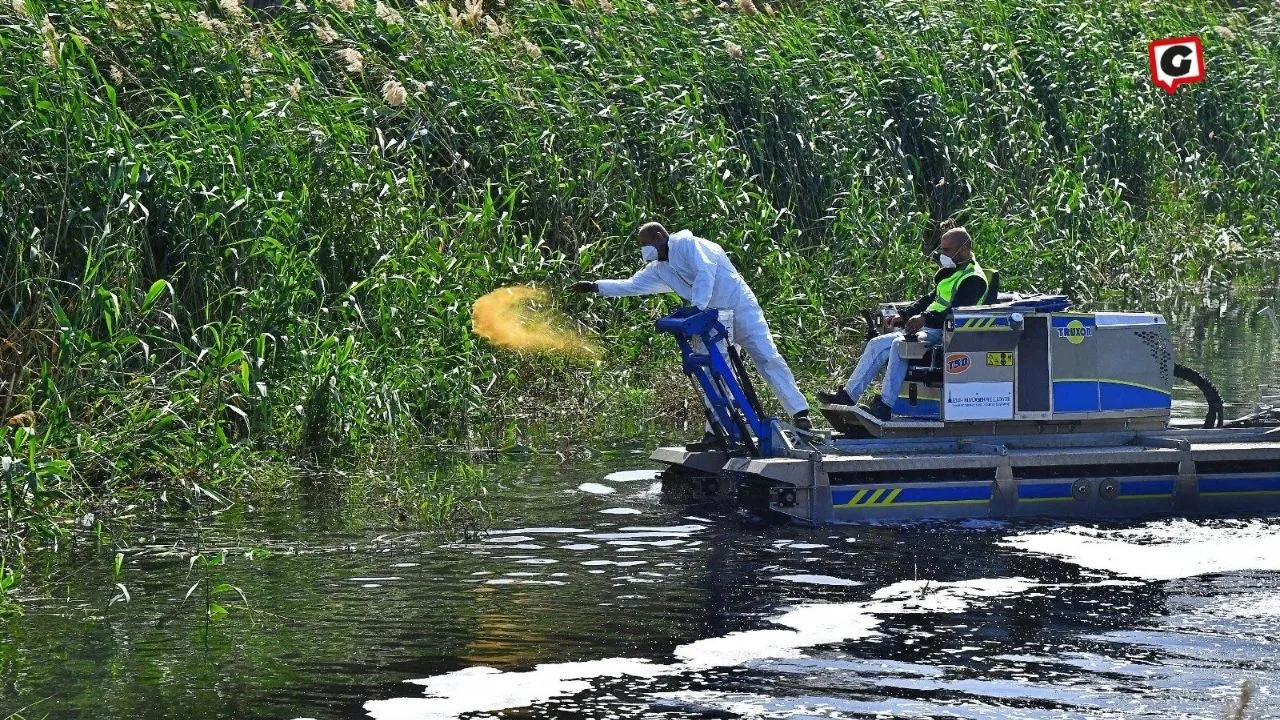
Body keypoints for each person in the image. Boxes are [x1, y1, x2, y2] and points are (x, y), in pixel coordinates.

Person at [570, 222, 813, 434]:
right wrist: (596, 287)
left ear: (659, 237)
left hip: (739, 308)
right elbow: (633, 285)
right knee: (714, 372)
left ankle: (799, 413)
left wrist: (697, 307)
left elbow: (705, 275)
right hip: (711, 318)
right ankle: (718, 429)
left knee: (767, 357)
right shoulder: (661, 268)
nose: (643, 249)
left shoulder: (689, 244)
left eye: (645, 243)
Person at [817, 227, 988, 421]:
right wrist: (905, 315)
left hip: (947, 332)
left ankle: (884, 405)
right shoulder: (952, 272)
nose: (942, 254)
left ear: (963, 249)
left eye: (947, 250)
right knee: (877, 344)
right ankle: (847, 397)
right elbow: (930, 299)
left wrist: (924, 319)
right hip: (931, 326)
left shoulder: (973, 278)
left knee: (901, 345)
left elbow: (955, 314)